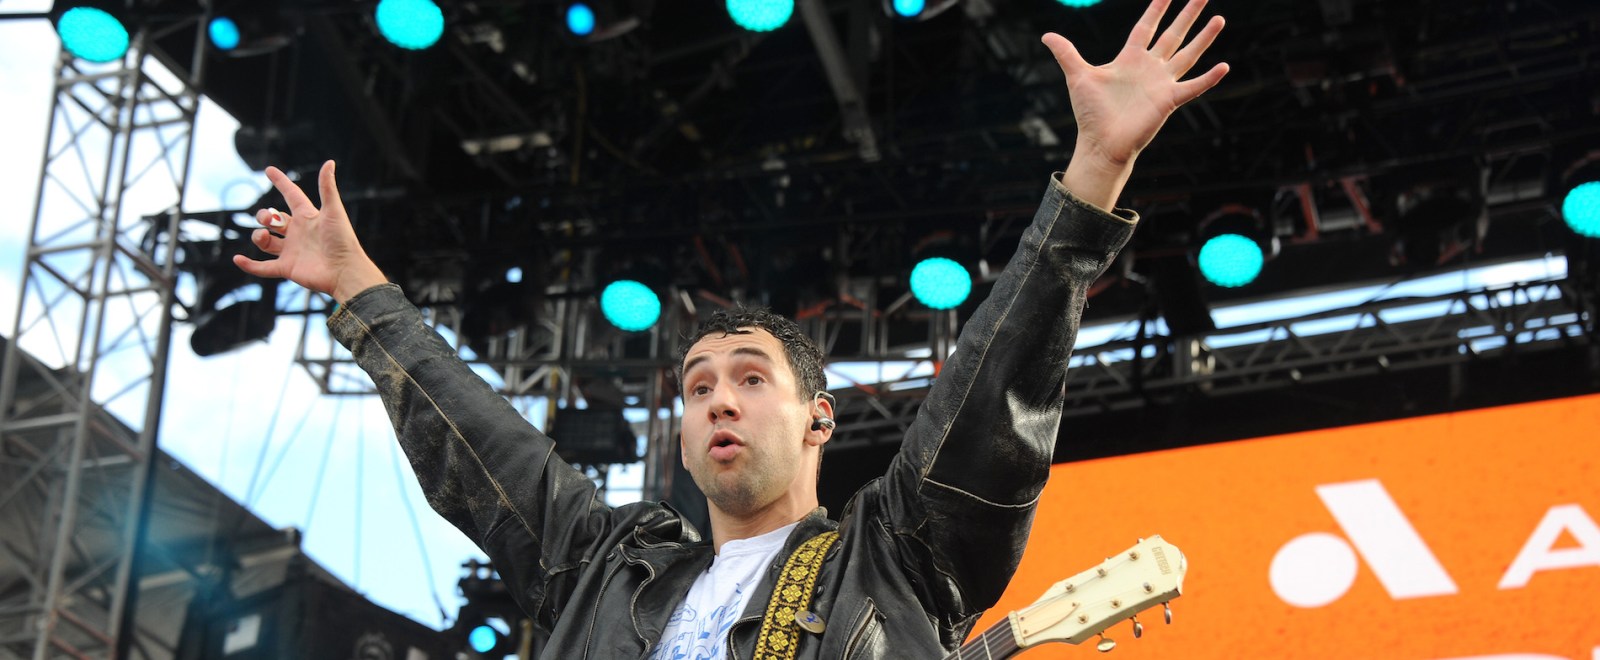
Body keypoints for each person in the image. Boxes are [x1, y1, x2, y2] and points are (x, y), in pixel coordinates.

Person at [233, 0, 1228, 656]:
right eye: (699, 384)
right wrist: (359, 288)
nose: (716, 398)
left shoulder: (894, 553)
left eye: (750, 377)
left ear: (818, 420)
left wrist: (1095, 170)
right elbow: (475, 437)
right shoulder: (601, 562)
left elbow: (994, 389)